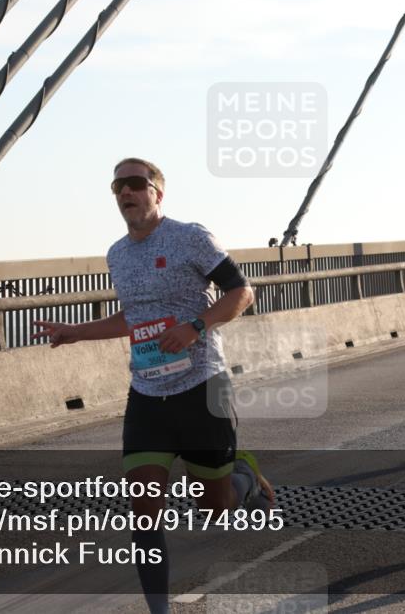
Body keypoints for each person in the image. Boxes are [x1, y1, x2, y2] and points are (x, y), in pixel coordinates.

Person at [32, 157, 272, 614]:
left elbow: (241, 292)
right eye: (118, 185)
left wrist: (195, 328)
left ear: (157, 193)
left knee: (214, 509)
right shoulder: (117, 254)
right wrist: (76, 331)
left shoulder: (191, 237)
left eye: (136, 183)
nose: (126, 191)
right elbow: (133, 317)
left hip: (202, 388)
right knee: (143, 514)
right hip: (147, 397)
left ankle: (245, 479)